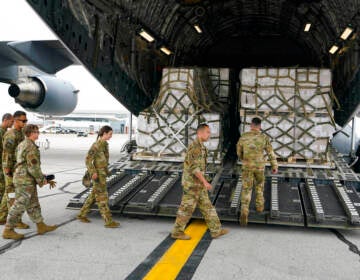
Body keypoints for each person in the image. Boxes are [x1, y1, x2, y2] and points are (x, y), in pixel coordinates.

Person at [171, 123, 229, 240]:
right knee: (186, 208)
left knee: (207, 207)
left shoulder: (201, 147)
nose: (209, 134)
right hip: (192, 185)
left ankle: (216, 230)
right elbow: (194, 168)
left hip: (198, 184)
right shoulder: (195, 147)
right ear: (200, 133)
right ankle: (177, 232)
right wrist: (205, 182)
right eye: (207, 132)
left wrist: (203, 181)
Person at [2, 124, 57, 240]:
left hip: (25, 178)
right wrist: (42, 180)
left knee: (33, 203)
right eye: (36, 131)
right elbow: (33, 167)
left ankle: (41, 225)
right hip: (25, 180)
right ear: (30, 133)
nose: (38, 133)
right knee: (19, 205)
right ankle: (8, 230)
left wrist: (41, 176)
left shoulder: (23, 144)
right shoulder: (31, 147)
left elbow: (26, 164)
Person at [236, 117, 278, 226]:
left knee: (246, 188)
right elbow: (270, 152)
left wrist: (243, 159)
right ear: (259, 126)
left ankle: (244, 210)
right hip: (259, 166)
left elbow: (238, 151)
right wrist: (274, 165)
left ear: (251, 125)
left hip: (247, 166)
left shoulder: (244, 137)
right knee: (259, 186)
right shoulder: (264, 137)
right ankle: (259, 207)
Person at [77, 126, 120, 228]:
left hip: (102, 173)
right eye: (110, 134)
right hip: (98, 175)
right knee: (102, 197)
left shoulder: (104, 145)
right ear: (104, 133)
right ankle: (108, 221)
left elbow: (104, 160)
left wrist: (106, 170)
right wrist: (93, 172)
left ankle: (82, 214)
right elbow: (88, 160)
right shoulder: (96, 145)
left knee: (93, 195)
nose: (111, 136)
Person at [0, 111, 29, 228]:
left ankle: (2, 217)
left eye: (26, 121)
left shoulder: (20, 133)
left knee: (9, 193)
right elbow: (6, 153)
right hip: (10, 169)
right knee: (13, 195)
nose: (25, 123)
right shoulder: (11, 135)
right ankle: (15, 221)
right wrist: (7, 169)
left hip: (16, 169)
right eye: (23, 121)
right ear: (16, 121)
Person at [0, 113, 14, 224]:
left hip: (3, 165)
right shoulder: (2, 132)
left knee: (4, 189)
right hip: (2, 166)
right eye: (11, 121)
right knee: (3, 189)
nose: (12, 123)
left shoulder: (5, 132)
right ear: (6, 120)